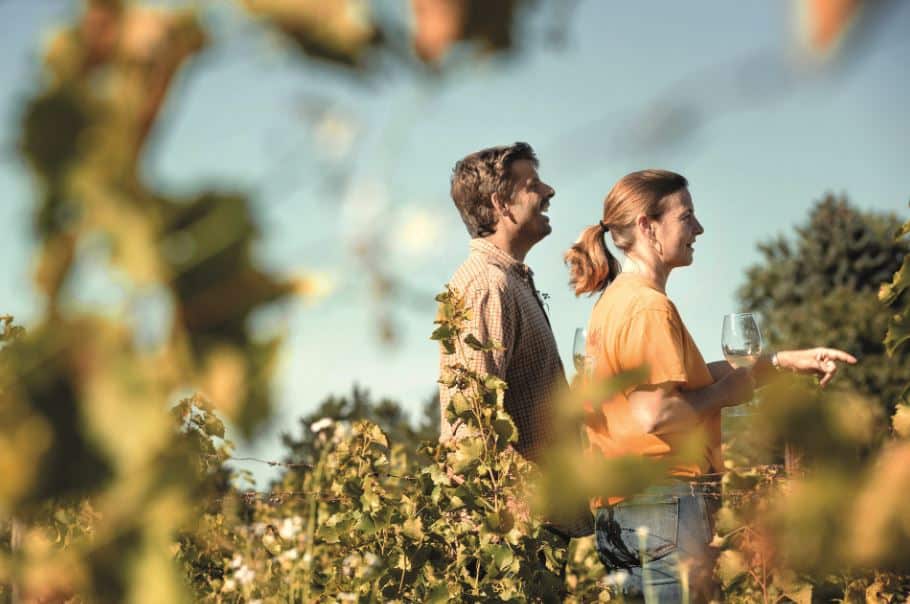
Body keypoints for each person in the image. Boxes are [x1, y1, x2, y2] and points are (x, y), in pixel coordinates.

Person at [564, 169, 856, 602]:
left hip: (621, 509)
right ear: (647, 225)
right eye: (687, 217)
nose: (698, 228)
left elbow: (687, 382)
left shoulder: (616, 302)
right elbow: (656, 413)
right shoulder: (649, 308)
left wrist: (781, 362)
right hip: (665, 502)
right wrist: (725, 396)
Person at [438, 142, 591, 537]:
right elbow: (471, 430)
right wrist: (531, 515)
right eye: (533, 185)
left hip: (532, 526)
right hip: (510, 532)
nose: (549, 192)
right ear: (501, 203)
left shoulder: (510, 281)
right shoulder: (488, 286)